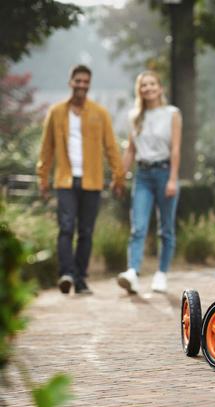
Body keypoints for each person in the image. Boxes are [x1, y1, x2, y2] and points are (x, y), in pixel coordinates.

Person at [37, 64, 125, 295]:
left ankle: (81, 279)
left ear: (89, 84)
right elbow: (46, 148)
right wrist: (42, 178)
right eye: (78, 81)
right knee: (66, 228)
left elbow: (111, 148)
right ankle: (66, 274)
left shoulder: (100, 113)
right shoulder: (56, 112)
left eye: (86, 81)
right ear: (71, 82)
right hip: (65, 180)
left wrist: (118, 177)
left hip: (92, 181)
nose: (82, 85)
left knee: (85, 231)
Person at [117, 71, 181, 295]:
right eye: (143, 85)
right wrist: (119, 176)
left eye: (152, 84)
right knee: (138, 227)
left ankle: (161, 274)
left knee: (166, 229)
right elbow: (130, 151)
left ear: (160, 87)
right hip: (142, 175)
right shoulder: (135, 116)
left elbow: (175, 149)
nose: (148, 88)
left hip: (165, 173)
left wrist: (173, 178)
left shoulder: (172, 113)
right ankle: (132, 273)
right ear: (139, 90)